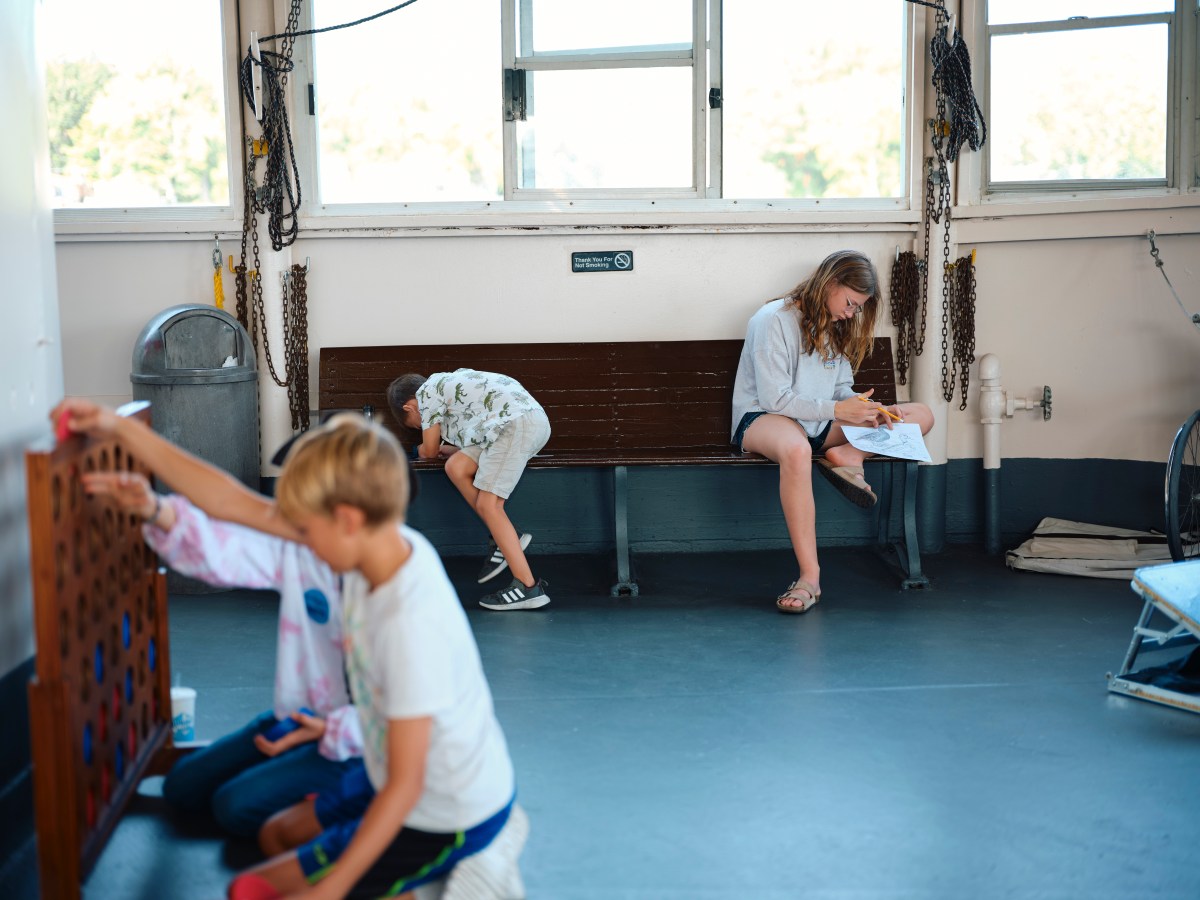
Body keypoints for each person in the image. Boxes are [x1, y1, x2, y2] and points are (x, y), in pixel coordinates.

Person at [55, 401, 527, 897]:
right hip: (390, 772)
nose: (295, 540)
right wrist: (120, 431)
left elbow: (405, 789)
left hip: (443, 813)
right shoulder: (383, 539)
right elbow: (232, 503)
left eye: (303, 529)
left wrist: (330, 890)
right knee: (249, 887)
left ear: (345, 519)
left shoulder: (408, 623)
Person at [81, 468, 366, 840]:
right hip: (304, 721)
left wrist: (334, 731)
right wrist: (154, 509)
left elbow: (414, 721)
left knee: (232, 807)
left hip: (363, 746)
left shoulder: (395, 580)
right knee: (181, 787)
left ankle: (341, 802)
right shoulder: (308, 551)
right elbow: (225, 551)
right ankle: (292, 775)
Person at [731, 249, 935, 614]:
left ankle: (850, 456)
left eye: (858, 307)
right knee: (795, 449)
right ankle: (810, 577)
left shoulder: (835, 325)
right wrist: (840, 411)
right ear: (831, 282)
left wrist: (866, 408)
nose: (851, 312)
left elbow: (839, 388)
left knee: (920, 414)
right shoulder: (773, 319)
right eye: (851, 303)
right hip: (763, 419)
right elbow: (775, 398)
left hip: (818, 422)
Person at [387, 369, 552, 611]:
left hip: (514, 426)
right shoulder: (449, 385)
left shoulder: (426, 394)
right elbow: (481, 436)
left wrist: (423, 448)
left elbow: (429, 451)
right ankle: (503, 538)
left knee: (489, 504)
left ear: (409, 408)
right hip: (517, 424)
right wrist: (451, 451)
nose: (421, 428)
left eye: (415, 426)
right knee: (457, 466)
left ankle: (527, 587)